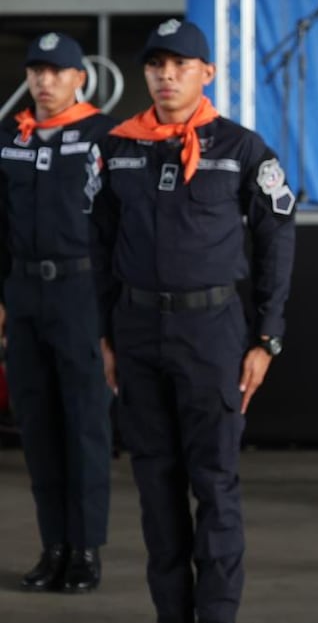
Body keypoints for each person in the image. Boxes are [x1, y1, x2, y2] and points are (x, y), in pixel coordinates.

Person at [87, 18, 296, 623]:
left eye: (179, 65)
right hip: (138, 333)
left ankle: (219, 614)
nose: (166, 75)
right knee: (156, 487)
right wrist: (106, 335)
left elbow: (276, 240)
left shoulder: (240, 148)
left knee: (214, 484)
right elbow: (98, 245)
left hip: (213, 334)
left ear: (206, 73)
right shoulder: (117, 147)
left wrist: (267, 337)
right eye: (156, 65)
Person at [1, 33, 115, 592]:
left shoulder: (105, 136)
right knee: (38, 424)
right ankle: (54, 546)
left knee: (85, 425)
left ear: (79, 79)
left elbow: (120, 228)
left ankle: (87, 548)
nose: (44, 82)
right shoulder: (10, 136)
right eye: (35, 72)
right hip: (23, 296)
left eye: (56, 72)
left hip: (81, 295)